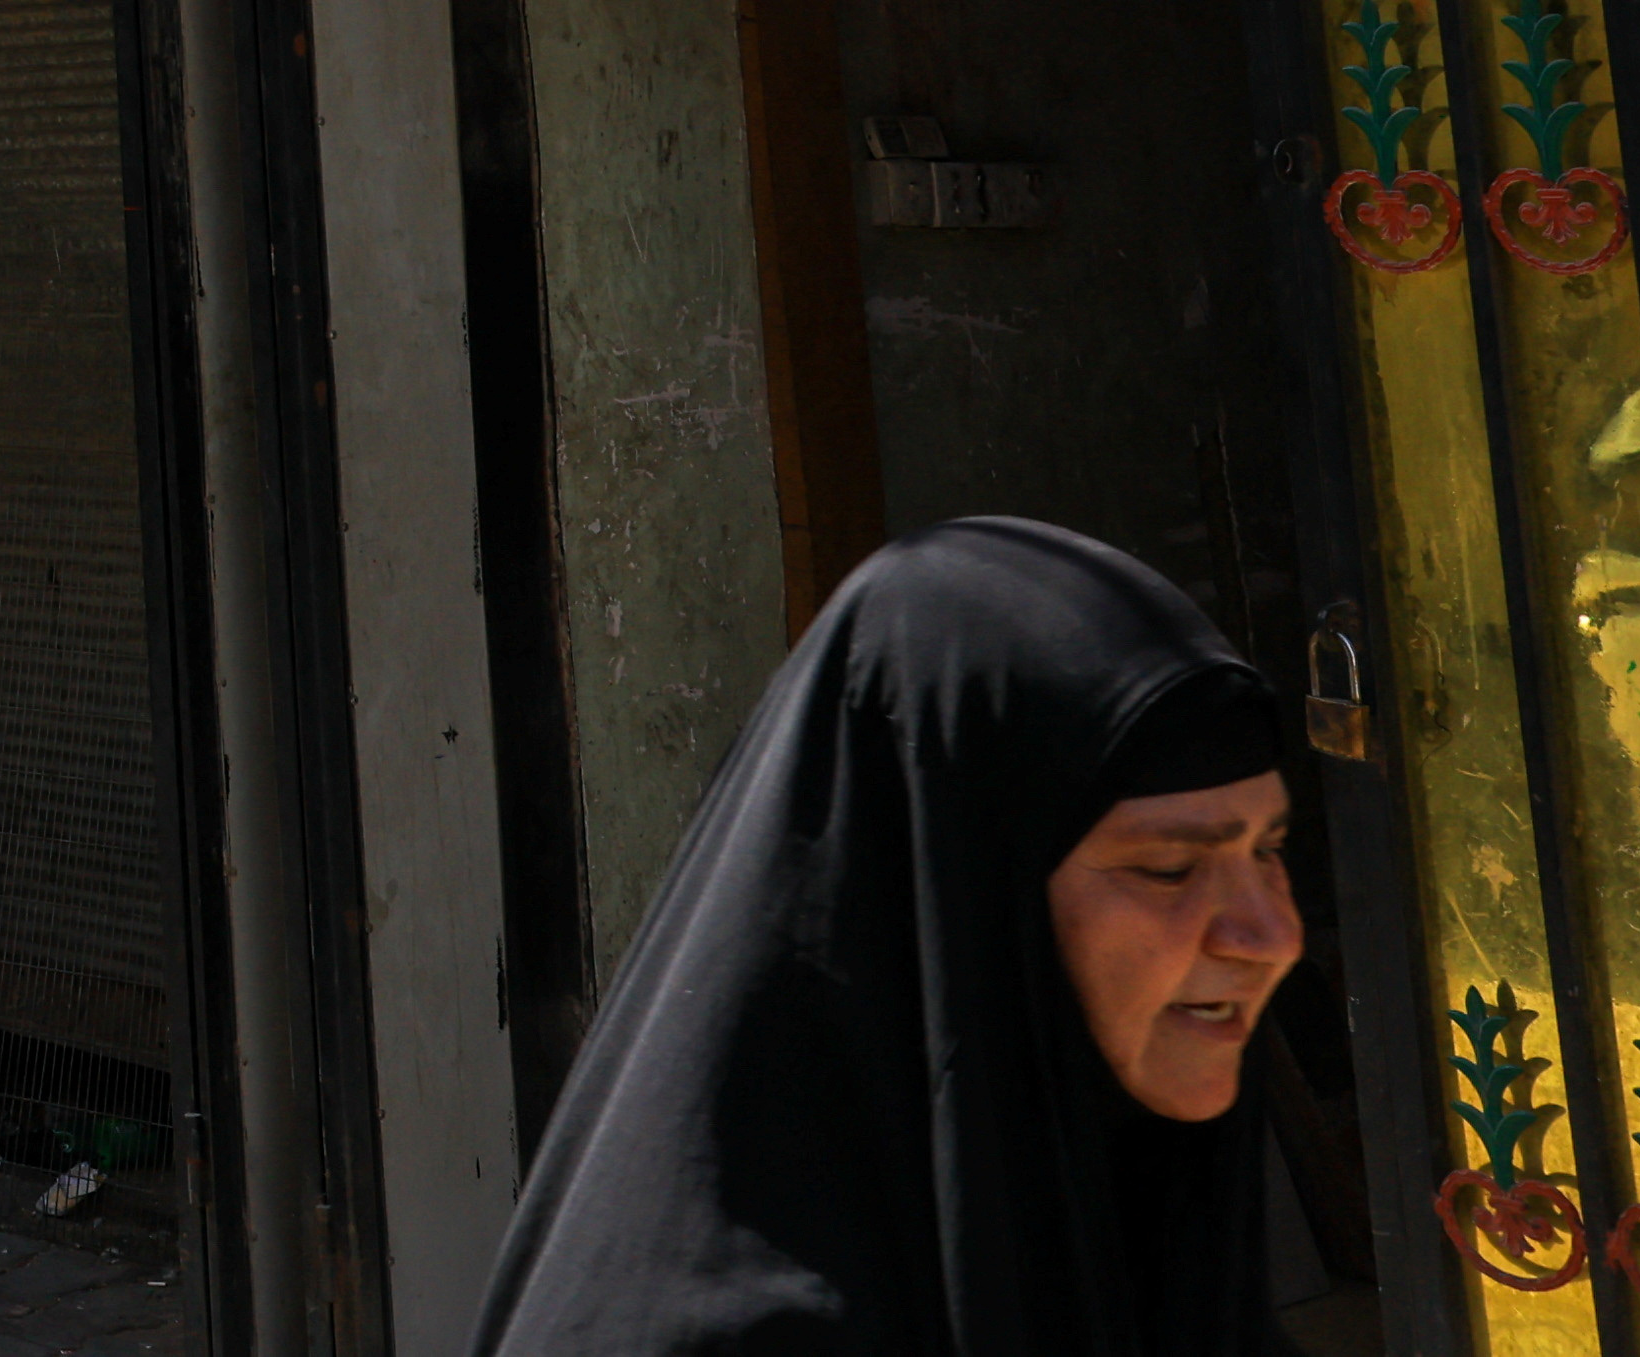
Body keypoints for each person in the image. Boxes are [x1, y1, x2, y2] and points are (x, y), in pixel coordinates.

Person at [465, 516, 1303, 1356]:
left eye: (1268, 850)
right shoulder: (735, 1334)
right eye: (1166, 869)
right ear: (967, 891)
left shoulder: (1136, 1220)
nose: (1271, 936)